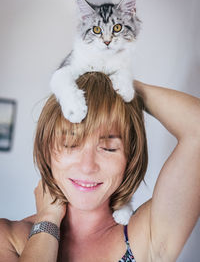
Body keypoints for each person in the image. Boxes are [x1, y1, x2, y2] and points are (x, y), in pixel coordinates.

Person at [0, 72, 200, 262]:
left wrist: (123, 85)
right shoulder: (7, 237)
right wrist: (47, 219)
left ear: (129, 159)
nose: (88, 166)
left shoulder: (148, 236)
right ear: (47, 150)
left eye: (108, 148)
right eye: (71, 144)